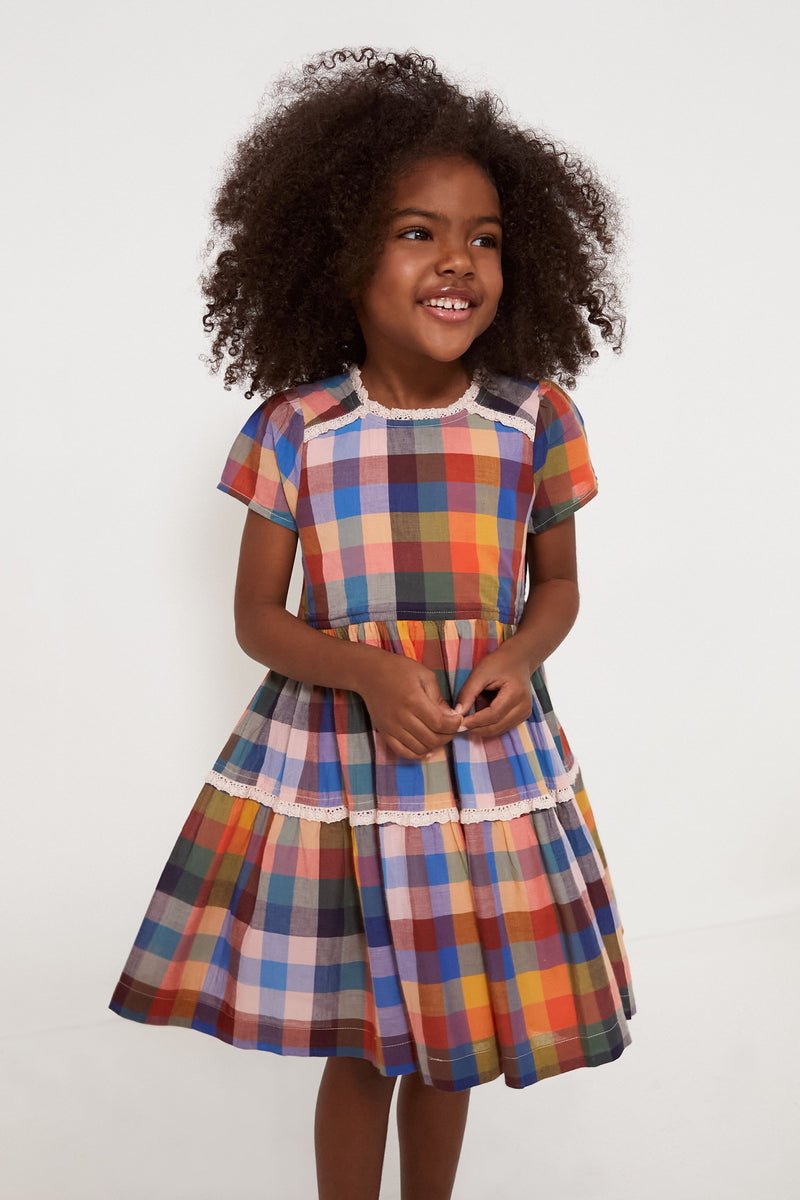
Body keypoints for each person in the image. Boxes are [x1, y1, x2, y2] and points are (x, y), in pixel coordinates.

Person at [110, 47, 636, 1200]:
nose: (456, 260)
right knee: (362, 1035)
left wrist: (516, 656)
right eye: (415, 232)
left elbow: (556, 586)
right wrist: (367, 674)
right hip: (345, 768)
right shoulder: (296, 428)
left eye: (483, 238)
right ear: (339, 256)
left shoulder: (534, 420)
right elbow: (257, 618)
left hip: (477, 764)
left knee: (453, 1031)